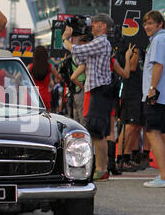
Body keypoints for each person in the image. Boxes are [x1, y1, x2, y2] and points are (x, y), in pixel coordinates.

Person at [63, 13, 115, 181]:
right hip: (98, 90)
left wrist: (65, 39)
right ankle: (101, 168)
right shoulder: (98, 42)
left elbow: (77, 51)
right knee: (96, 131)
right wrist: (74, 42)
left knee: (97, 131)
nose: (92, 25)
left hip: (100, 90)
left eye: (96, 23)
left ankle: (101, 169)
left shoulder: (101, 41)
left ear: (104, 26)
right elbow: (79, 59)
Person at [141, 10, 165, 188]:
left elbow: (158, 65)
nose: (146, 27)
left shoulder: (158, 40)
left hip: (158, 95)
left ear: (159, 24)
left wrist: (151, 90)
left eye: (150, 23)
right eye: (145, 23)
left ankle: (164, 176)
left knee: (153, 133)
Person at [27, 45, 60, 111]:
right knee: (47, 118)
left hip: (34, 95)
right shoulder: (50, 66)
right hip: (45, 95)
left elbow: (21, 77)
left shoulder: (31, 67)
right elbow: (59, 78)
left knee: (34, 118)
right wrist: (53, 86)